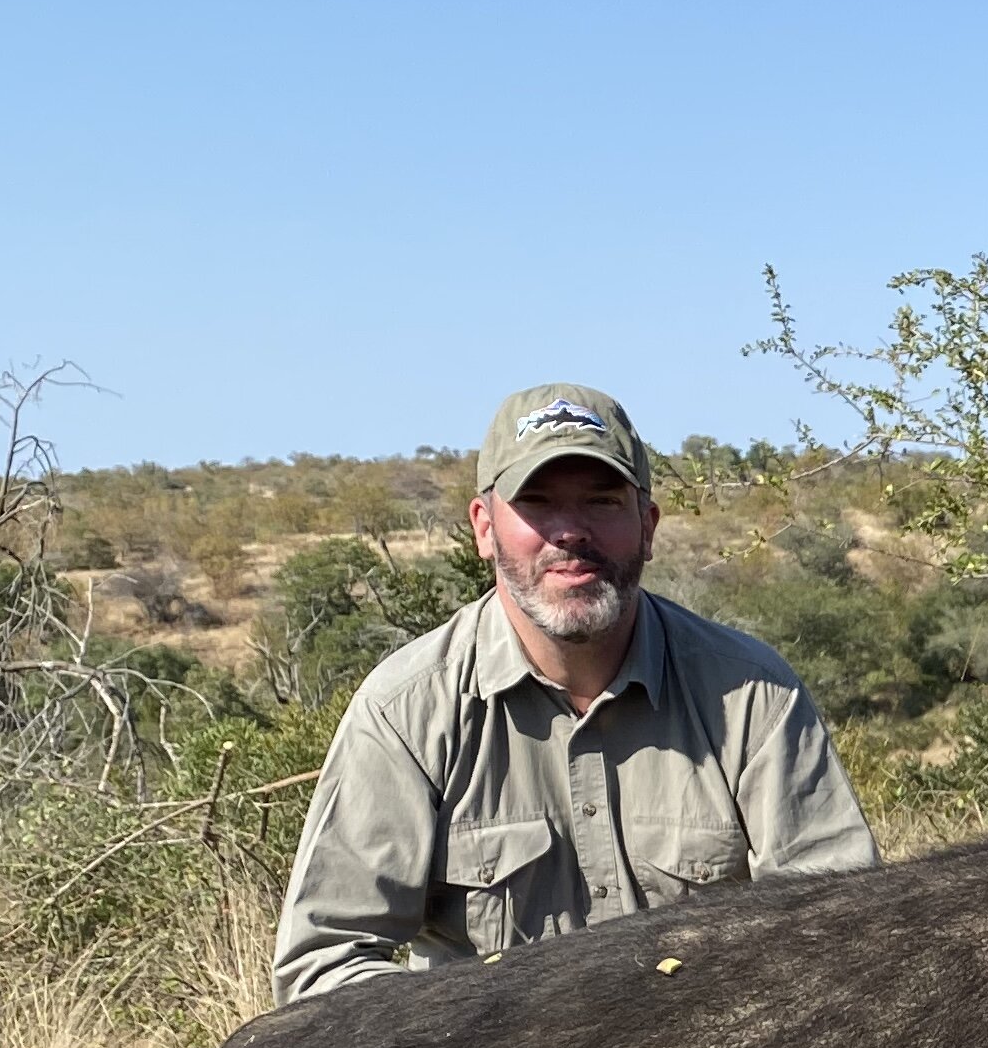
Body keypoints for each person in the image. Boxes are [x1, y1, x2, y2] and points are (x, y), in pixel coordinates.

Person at [271, 381, 877, 1001]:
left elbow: (842, 930)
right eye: (536, 504)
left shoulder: (752, 694)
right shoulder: (407, 711)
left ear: (647, 526)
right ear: (484, 528)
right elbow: (325, 965)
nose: (570, 532)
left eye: (603, 502)